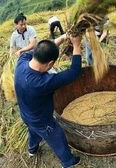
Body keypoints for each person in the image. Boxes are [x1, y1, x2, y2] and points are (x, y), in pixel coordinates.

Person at [14, 34, 82, 168]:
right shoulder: (42, 83)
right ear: (50, 63)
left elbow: (43, 50)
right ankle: (68, 162)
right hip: (42, 121)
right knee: (57, 135)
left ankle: (32, 150)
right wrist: (76, 45)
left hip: (25, 114)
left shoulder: (22, 61)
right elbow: (74, 71)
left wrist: (63, 37)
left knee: (33, 131)